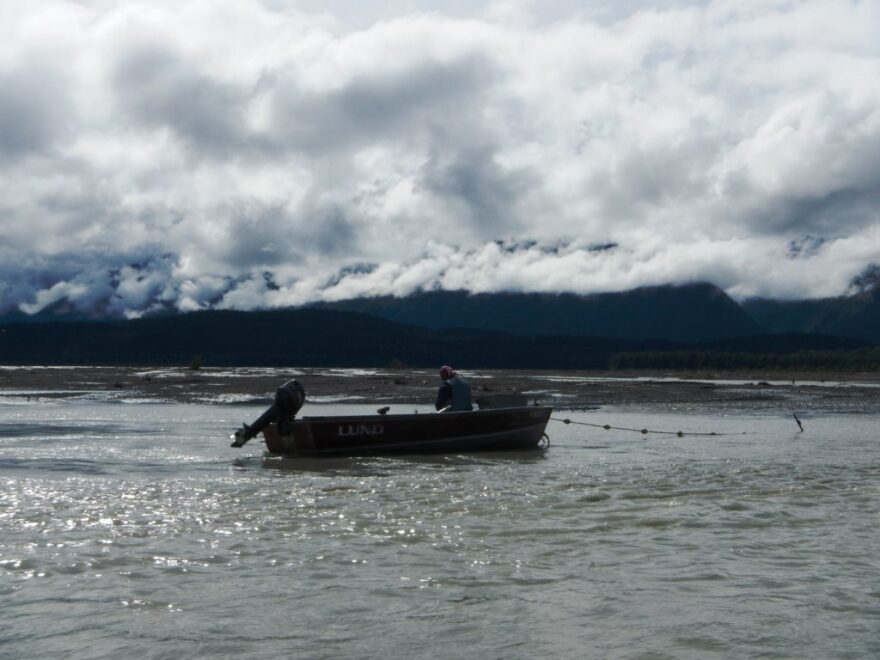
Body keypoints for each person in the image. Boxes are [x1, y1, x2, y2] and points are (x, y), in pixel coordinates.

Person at [231, 379, 305, 447]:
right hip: (286, 402)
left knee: (267, 419)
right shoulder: (285, 405)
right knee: (271, 419)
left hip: (284, 399)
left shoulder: (281, 404)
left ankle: (244, 437)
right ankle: (244, 436)